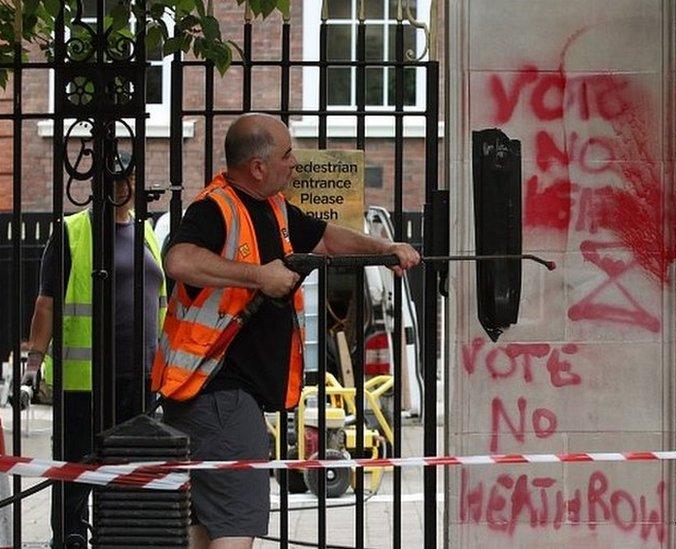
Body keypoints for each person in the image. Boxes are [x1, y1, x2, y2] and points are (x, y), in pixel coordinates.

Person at [153, 113, 419, 549]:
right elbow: (179, 261)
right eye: (287, 154)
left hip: (212, 398)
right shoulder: (215, 207)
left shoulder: (272, 206)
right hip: (219, 395)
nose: (295, 163)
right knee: (235, 529)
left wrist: (385, 249)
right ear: (257, 166)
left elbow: (327, 239)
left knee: (206, 529)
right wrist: (258, 276)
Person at [24, 150, 167, 547]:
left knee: (128, 472)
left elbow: (161, 304)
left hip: (140, 376)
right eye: (115, 179)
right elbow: (46, 303)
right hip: (84, 379)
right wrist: (33, 363)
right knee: (75, 473)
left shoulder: (147, 233)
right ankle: (70, 538)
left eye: (129, 177)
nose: (123, 186)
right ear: (96, 183)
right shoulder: (71, 231)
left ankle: (117, 538)